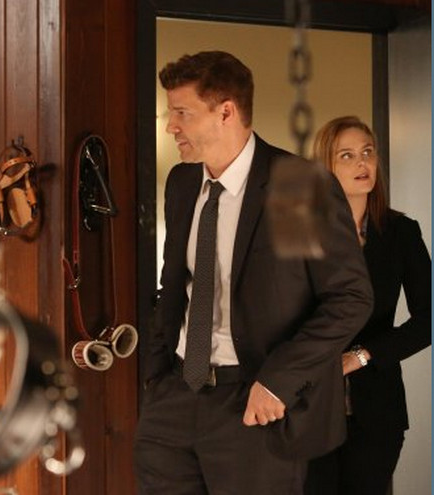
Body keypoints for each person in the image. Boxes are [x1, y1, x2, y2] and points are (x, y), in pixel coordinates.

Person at [134, 51, 374, 495]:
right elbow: (174, 286)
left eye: (182, 113)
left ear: (225, 112)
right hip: (173, 401)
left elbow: (349, 298)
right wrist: (156, 377)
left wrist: (279, 382)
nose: (171, 127)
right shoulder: (182, 183)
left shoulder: (298, 185)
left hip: (253, 405)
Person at [304, 116, 432, 495]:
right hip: (308, 407)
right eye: (347, 155)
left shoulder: (401, 232)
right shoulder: (300, 233)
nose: (362, 163)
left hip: (377, 411)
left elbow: (429, 319)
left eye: (367, 152)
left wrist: (361, 356)